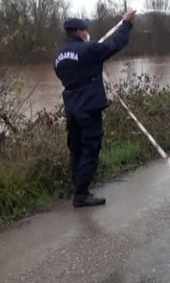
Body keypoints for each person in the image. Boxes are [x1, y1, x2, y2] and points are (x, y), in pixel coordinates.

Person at [53, 11, 136, 207]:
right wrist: (126, 23)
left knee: (76, 149)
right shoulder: (88, 49)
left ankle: (79, 187)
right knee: (90, 148)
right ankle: (81, 194)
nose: (86, 33)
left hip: (71, 108)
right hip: (89, 107)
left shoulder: (57, 56)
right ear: (79, 32)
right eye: (85, 31)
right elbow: (116, 44)